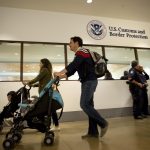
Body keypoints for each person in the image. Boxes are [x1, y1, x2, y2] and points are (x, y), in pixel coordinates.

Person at [54, 36, 108, 138]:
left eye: (70, 42)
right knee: (89, 106)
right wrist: (60, 77)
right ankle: (93, 132)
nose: (69, 44)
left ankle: (103, 123)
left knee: (84, 104)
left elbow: (74, 64)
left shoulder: (82, 51)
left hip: (89, 82)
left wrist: (59, 72)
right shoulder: (80, 55)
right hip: (87, 82)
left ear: (76, 43)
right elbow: (72, 71)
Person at [24, 58, 60, 132]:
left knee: (46, 109)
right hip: (46, 93)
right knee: (50, 109)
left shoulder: (44, 70)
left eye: (40, 63)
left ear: (43, 63)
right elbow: (42, 83)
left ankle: (46, 125)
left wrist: (28, 83)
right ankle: (52, 125)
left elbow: (37, 78)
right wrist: (33, 85)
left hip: (45, 94)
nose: (39, 64)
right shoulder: (48, 71)